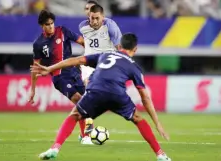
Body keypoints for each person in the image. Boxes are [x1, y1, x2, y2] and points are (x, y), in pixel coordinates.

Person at [31, 33, 172, 161]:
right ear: (135, 49)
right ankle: (161, 155)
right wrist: (157, 123)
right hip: (117, 94)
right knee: (138, 118)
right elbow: (145, 98)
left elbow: (77, 60)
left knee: (74, 115)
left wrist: (50, 68)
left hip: (95, 90)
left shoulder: (104, 55)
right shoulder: (134, 67)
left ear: (119, 46)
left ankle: (55, 148)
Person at [28, 9, 93, 145]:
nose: (51, 26)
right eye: (47, 24)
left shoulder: (63, 31)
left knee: (85, 103)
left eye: (52, 23)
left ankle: (83, 136)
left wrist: (92, 54)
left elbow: (82, 41)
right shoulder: (38, 44)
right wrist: (33, 89)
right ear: (42, 26)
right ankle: (86, 136)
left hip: (74, 71)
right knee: (79, 100)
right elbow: (35, 68)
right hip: (59, 77)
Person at [78, 2, 123, 142]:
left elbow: (119, 47)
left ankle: (91, 116)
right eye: (87, 11)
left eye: (97, 17)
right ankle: (89, 122)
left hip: (106, 64)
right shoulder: (82, 26)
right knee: (88, 85)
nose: (93, 20)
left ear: (102, 16)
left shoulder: (110, 26)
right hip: (89, 64)